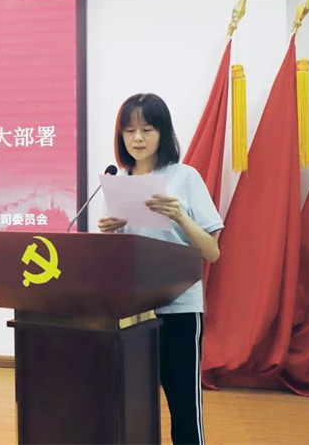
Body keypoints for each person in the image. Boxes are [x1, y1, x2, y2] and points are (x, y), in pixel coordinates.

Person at [98, 93, 223, 445]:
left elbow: (212, 252)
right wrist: (108, 233)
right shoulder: (118, 183)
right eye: (129, 131)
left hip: (178, 309)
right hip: (132, 314)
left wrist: (179, 215)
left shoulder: (185, 177)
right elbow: (116, 259)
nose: (137, 138)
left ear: (163, 132)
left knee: (183, 407)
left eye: (147, 129)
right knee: (131, 407)